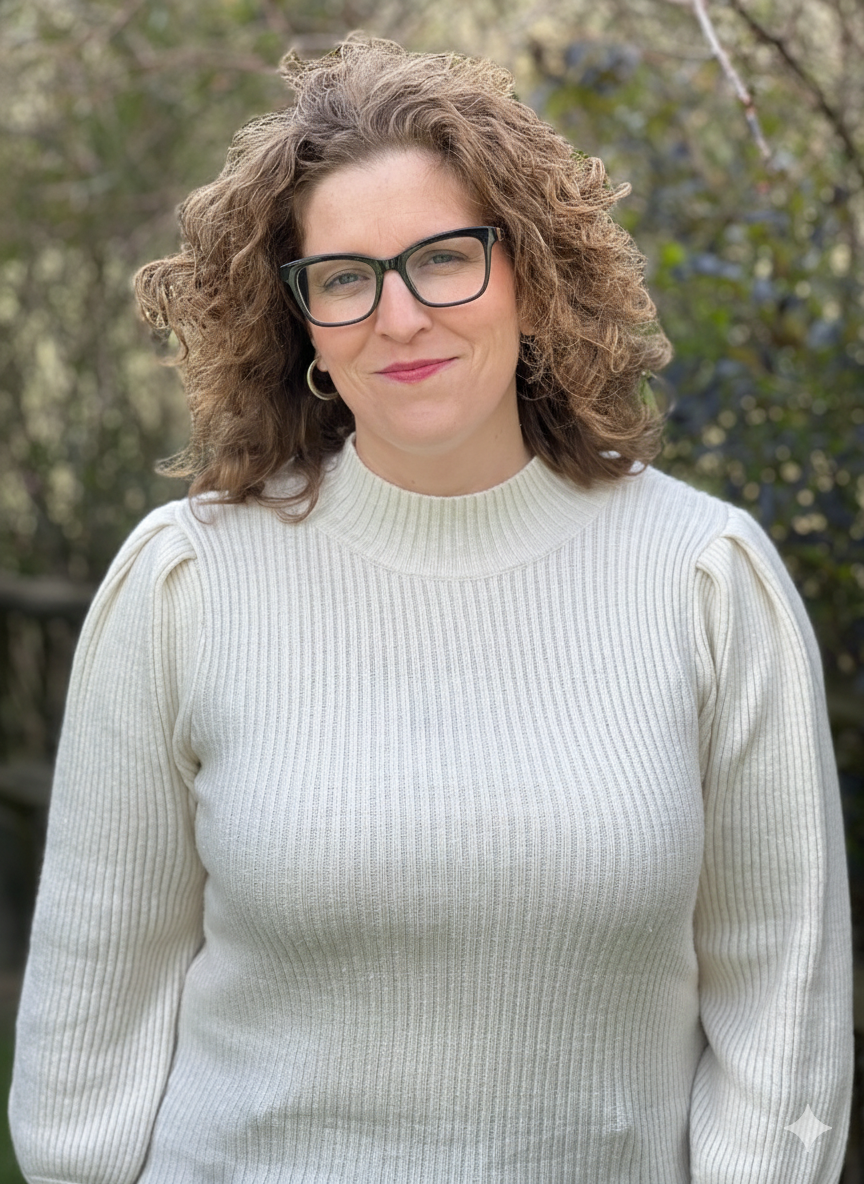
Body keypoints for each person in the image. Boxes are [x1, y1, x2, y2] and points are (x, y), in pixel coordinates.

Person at [9, 34, 854, 1184]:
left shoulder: (704, 577)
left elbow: (780, 1004)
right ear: (303, 320)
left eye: (445, 257)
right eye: (344, 277)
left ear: (529, 275)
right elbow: (89, 1026)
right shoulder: (184, 581)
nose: (399, 316)